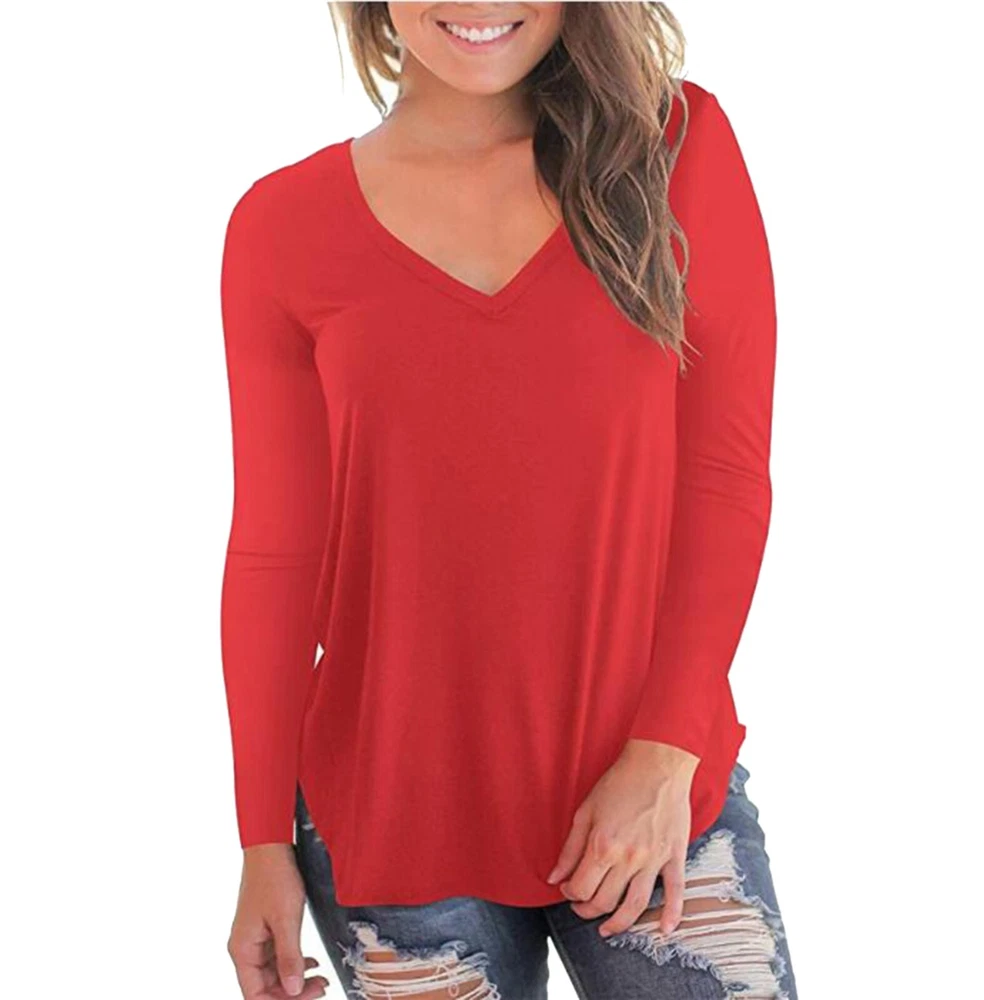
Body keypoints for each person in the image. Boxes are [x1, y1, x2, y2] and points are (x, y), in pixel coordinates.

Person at [218, 3, 798, 998]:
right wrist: (261, 839)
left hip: (655, 796)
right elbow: (276, 552)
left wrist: (663, 754)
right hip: (391, 819)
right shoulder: (282, 224)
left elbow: (725, 475)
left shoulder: (672, 150)